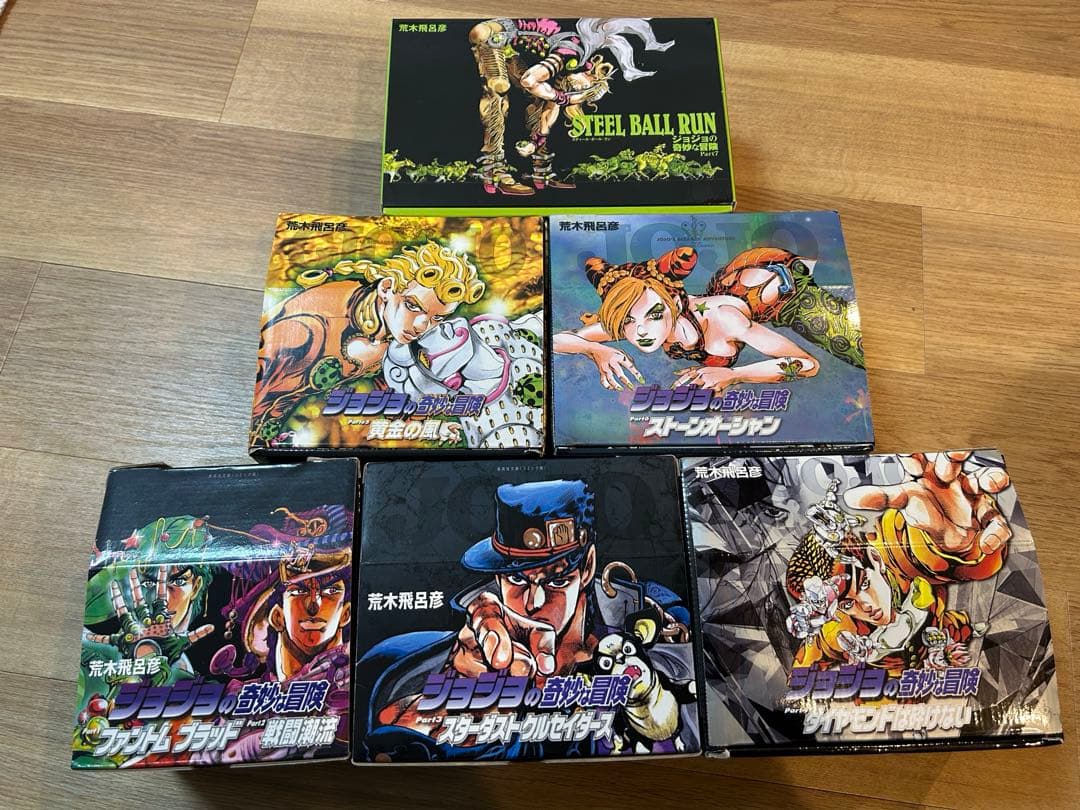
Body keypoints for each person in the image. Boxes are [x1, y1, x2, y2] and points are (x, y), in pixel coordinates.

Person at [356, 479, 697, 761]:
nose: (534, 603)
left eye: (557, 580)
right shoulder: (419, 658)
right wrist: (456, 707)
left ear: (588, 567)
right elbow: (379, 739)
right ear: (498, 576)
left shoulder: (651, 620)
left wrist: (647, 694)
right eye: (517, 579)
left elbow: (698, 709)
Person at [784, 451, 1012, 676]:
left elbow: (915, 550)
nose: (865, 606)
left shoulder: (899, 562)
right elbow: (799, 677)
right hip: (886, 692)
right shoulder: (837, 633)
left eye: (864, 584)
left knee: (955, 625)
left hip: (938, 641)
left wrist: (963, 542)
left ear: (875, 560)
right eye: (847, 604)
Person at [250, 241, 484, 445]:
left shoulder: (397, 334)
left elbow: (399, 394)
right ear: (387, 288)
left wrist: (426, 423)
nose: (422, 326)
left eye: (437, 318)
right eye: (412, 306)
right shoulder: (309, 330)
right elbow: (262, 394)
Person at [554, 246, 821, 392]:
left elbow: (808, 365)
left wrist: (735, 374)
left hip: (770, 289)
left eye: (654, 314)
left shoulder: (725, 319)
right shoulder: (635, 321)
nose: (640, 331)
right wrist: (595, 349)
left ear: (676, 303)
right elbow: (555, 340)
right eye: (627, 321)